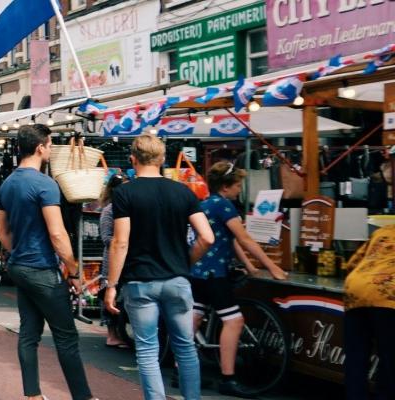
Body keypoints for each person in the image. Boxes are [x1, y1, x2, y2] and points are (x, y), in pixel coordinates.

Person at [104, 134, 214, 400]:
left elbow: (120, 242)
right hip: (177, 279)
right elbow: (207, 237)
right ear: (163, 159)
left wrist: (111, 285)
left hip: (140, 281)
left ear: (133, 159)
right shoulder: (182, 192)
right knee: (185, 347)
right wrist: (184, 262)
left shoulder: (124, 193)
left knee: (147, 350)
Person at [0, 126, 96, 400]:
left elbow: (1, 231)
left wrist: (18, 251)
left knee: (29, 332)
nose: (51, 150)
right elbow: (57, 233)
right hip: (41, 268)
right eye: (50, 145)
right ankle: (83, 396)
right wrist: (73, 270)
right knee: (66, 336)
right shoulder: (45, 184)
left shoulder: (7, 184)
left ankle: (33, 395)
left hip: (20, 266)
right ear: (40, 147)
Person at [190, 161, 289, 396]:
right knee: (234, 321)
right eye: (237, 185)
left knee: (193, 319)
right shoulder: (225, 206)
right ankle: (228, 377)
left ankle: (183, 370)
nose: (239, 190)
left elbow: (230, 240)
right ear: (225, 187)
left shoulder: (205, 204)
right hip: (215, 273)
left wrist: (248, 266)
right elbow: (244, 238)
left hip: (197, 271)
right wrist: (271, 266)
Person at [344, 219, 395, 400]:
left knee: (356, 358)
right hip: (388, 296)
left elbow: (352, 263)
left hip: (356, 291)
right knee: (389, 360)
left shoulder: (383, 231)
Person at [97, 174, 131, 350]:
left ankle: (119, 332)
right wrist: (121, 242)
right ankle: (111, 335)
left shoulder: (126, 207)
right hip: (112, 257)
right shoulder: (109, 210)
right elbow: (106, 238)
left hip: (127, 256)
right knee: (109, 290)